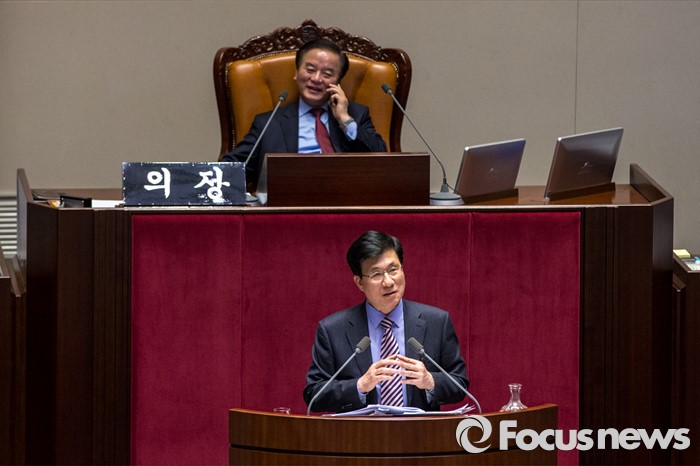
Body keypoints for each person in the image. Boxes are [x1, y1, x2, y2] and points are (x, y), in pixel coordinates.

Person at [303, 231, 468, 413]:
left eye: (393, 270)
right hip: (359, 431)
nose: (388, 282)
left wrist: (430, 381)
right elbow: (314, 394)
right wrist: (360, 385)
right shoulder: (332, 330)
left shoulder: (437, 322)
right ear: (359, 282)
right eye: (376, 274)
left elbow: (459, 384)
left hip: (420, 430)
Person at [222, 38, 387, 189]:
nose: (316, 79)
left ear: (337, 83)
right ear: (296, 72)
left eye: (327, 74)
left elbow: (383, 163)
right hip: (288, 204)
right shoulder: (268, 122)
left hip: (346, 202)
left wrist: (344, 119)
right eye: (310, 69)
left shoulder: (356, 114)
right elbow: (231, 169)